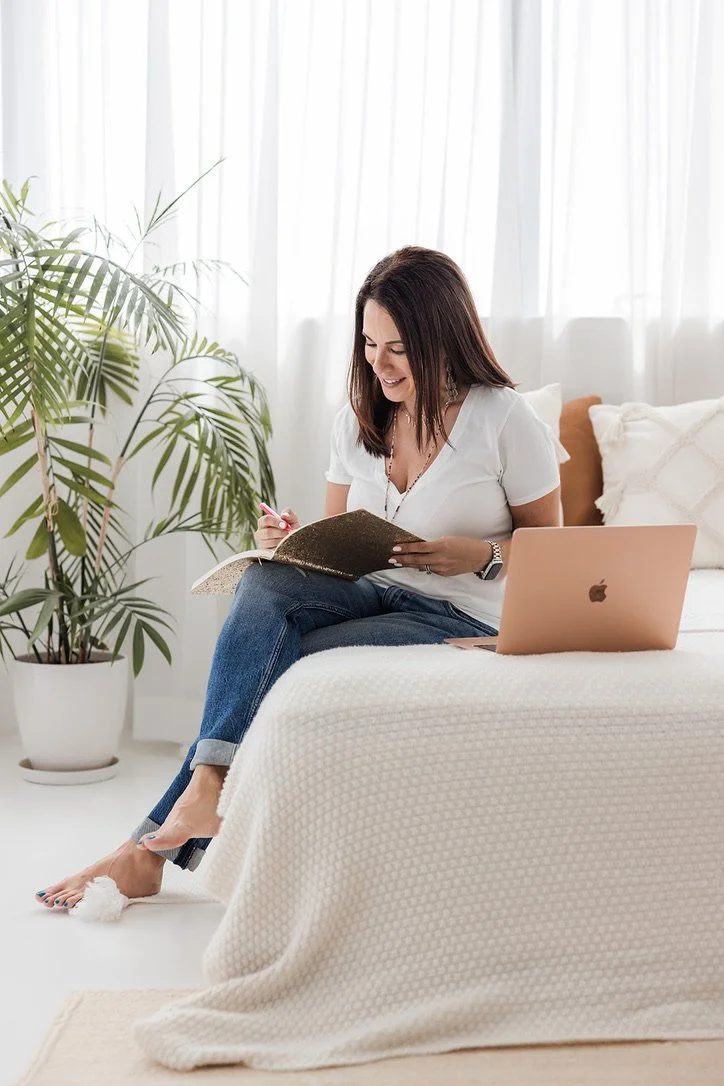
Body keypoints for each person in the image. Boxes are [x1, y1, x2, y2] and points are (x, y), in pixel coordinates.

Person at [35, 246, 561, 910]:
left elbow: (551, 545)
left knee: (285, 659)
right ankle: (198, 798)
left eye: (398, 348)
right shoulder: (360, 417)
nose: (379, 363)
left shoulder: (505, 419)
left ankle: (148, 848)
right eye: (369, 344)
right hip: (375, 586)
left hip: (459, 612)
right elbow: (338, 542)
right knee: (262, 582)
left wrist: (479, 556)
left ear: (443, 340)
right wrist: (289, 542)